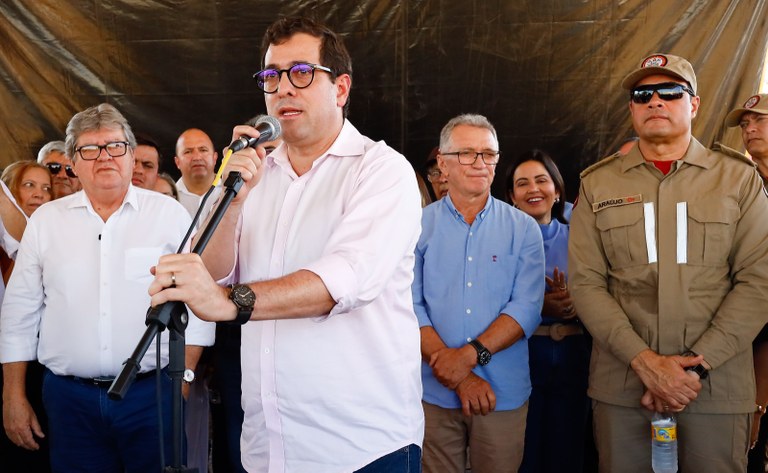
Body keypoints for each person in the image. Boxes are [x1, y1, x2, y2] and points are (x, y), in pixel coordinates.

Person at [148, 16, 424, 472]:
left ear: (340, 89)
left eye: (301, 73)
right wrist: (234, 200)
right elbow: (213, 270)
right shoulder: (251, 169)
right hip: (268, 444)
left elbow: (345, 280)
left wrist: (227, 301)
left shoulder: (381, 170)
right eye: (271, 76)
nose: (283, 89)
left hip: (361, 445)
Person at [569, 53, 768, 473]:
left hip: (715, 387)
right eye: (643, 95)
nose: (655, 101)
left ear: (693, 104)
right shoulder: (597, 183)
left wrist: (694, 370)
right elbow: (586, 284)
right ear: (632, 109)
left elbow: (759, 282)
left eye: (671, 92)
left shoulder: (738, 179)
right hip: (625, 387)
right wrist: (645, 362)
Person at [0, 103, 214, 472]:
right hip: (70, 401)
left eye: (115, 146)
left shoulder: (169, 216)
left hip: (153, 396)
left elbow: (199, 303)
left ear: (131, 155)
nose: (104, 157)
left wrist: (183, 382)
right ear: (73, 162)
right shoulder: (46, 222)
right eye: (89, 149)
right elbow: (20, 310)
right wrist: (13, 394)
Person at [413, 114, 544, 473]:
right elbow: (409, 306)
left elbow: (527, 307)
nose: (479, 163)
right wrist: (458, 375)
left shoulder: (523, 228)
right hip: (433, 392)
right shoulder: (417, 226)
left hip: (502, 393)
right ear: (442, 163)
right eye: (467, 153)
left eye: (488, 154)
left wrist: (468, 359)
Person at [506, 149, 590, 473]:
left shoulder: (580, 236)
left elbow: (601, 288)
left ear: (556, 190)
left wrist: (574, 303)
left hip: (574, 353)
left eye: (542, 181)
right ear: (512, 196)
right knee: (523, 454)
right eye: (523, 183)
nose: (533, 189)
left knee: (568, 452)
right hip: (520, 355)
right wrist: (540, 305)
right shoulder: (500, 241)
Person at [725, 92, 768, 473]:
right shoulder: (736, 184)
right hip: (746, 333)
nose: (750, 129)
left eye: (760, 121)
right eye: (745, 124)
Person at [174, 128, 219, 217]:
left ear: (215, 158)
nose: (197, 157)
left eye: (203, 150)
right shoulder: (169, 197)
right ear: (177, 162)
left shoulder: (232, 193)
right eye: (188, 152)